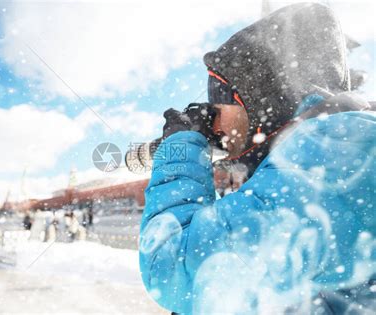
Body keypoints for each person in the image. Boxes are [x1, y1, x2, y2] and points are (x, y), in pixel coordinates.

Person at [139, 3, 374, 314]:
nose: (217, 128)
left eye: (219, 106)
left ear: (261, 97)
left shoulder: (338, 150)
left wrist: (182, 144)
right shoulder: (336, 144)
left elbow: (174, 264)